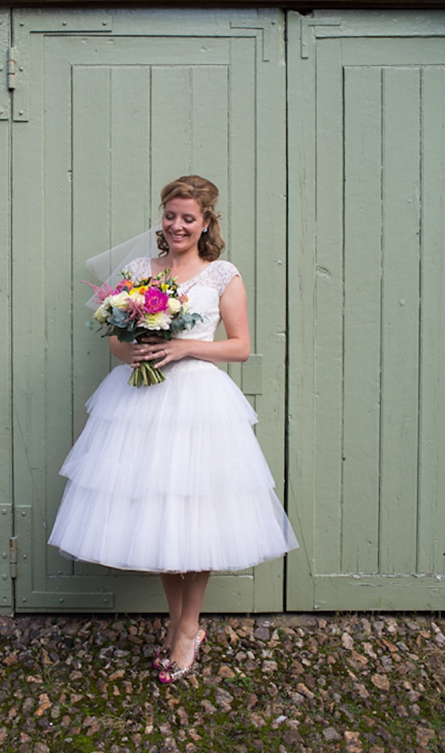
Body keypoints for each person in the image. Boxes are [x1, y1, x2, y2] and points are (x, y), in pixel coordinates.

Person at [48, 175, 297, 684]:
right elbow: (116, 339)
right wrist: (132, 350)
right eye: (170, 215)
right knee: (159, 511)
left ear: (206, 222)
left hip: (198, 404)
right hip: (142, 400)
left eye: (189, 218)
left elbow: (239, 345)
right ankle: (177, 623)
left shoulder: (221, 274)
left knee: (196, 511)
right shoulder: (140, 271)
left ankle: (188, 629)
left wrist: (186, 347)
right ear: (161, 217)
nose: (178, 225)